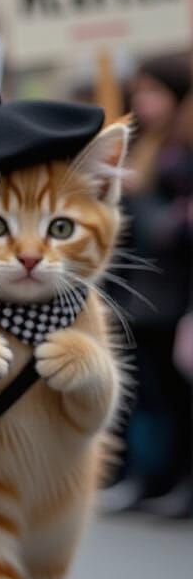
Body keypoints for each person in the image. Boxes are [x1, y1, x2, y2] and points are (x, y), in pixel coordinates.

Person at [102, 54, 193, 515]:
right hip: (141, 290)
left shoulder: (179, 151)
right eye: (139, 91)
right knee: (145, 390)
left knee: (172, 396)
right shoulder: (143, 146)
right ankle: (145, 475)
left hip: (173, 292)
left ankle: (169, 477)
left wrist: (153, 207)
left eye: (153, 91)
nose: (143, 101)